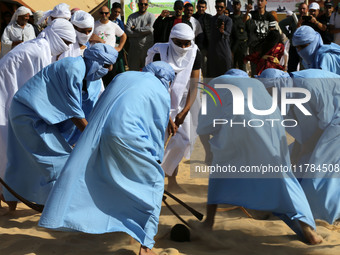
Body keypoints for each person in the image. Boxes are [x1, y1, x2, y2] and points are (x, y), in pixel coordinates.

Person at [38, 61, 175, 255]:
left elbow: (102, 105)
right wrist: (156, 160)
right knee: (153, 183)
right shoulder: (161, 92)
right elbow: (155, 130)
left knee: (103, 175)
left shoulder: (122, 76)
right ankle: (145, 246)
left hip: (100, 133)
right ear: (167, 81)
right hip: (129, 135)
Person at [196, 72, 322, 245]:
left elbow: (204, 126)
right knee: (282, 175)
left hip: (242, 122)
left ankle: (208, 223)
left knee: (220, 168)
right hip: (273, 125)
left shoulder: (216, 82)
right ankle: (308, 229)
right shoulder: (256, 85)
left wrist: (208, 152)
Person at [1, 43, 118, 212]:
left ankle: (14, 202)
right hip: (29, 114)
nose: (109, 69)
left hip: (45, 118)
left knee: (26, 162)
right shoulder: (72, 68)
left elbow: (91, 108)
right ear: (94, 61)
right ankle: (60, 208)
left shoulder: (92, 79)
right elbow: (75, 112)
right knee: (60, 161)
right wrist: (94, 139)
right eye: (106, 65)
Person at [0, 19, 76, 197]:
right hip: (5, 92)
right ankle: (8, 191)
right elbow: (39, 87)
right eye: (65, 42)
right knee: (6, 140)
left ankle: (10, 191)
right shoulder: (39, 52)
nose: (65, 48)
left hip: (13, 91)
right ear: (55, 36)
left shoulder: (43, 47)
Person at [258, 68, 340, 225]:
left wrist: (304, 149)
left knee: (318, 170)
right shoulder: (285, 95)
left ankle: (322, 216)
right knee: (291, 161)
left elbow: (320, 127)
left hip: (335, 121)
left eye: (271, 91)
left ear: (280, 85)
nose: (269, 95)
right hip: (327, 125)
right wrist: (296, 155)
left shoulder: (306, 86)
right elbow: (301, 132)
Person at [146, 23, 201, 192]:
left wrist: (184, 112)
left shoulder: (194, 53)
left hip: (185, 100)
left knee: (183, 139)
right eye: (179, 43)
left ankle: (170, 179)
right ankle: (149, 182)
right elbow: (153, 86)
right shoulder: (158, 53)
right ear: (171, 39)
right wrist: (167, 117)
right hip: (158, 100)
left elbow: (195, 84)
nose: (184, 47)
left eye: (187, 43)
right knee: (156, 141)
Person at [90, 5, 126, 86]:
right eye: (102, 13)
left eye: (106, 13)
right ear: (99, 13)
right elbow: (89, 37)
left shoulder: (113, 25)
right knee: (98, 82)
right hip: (97, 58)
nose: (104, 15)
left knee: (110, 81)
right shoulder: (94, 24)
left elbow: (124, 36)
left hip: (110, 58)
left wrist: (119, 48)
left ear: (109, 14)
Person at [244, 0, 276, 76]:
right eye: (258, 1)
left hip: (265, 47)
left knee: (266, 70)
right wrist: (248, 11)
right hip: (254, 47)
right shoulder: (252, 14)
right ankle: (255, 86)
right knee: (255, 70)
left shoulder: (270, 16)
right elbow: (244, 20)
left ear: (266, 2)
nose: (259, 2)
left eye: (262, 1)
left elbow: (273, 32)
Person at [126, 0, 155, 71]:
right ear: (138, 5)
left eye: (145, 4)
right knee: (133, 73)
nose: (143, 6)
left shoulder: (151, 16)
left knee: (148, 72)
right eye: (141, 4)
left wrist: (135, 28)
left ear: (147, 5)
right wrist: (143, 31)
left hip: (147, 50)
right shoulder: (132, 17)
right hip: (134, 50)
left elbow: (150, 30)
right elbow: (128, 31)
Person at [207, 0, 233, 77]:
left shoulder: (228, 20)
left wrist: (222, 31)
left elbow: (228, 34)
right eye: (217, 7)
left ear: (224, 8)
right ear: (215, 7)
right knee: (212, 75)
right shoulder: (211, 19)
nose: (219, 9)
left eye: (221, 7)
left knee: (225, 75)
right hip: (213, 51)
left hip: (224, 50)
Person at [280, 3, 307, 72]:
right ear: (298, 9)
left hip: (305, 48)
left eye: (304, 9)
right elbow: (281, 24)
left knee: (303, 69)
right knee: (292, 69)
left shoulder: (310, 19)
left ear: (307, 10)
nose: (302, 10)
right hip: (294, 47)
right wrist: (289, 35)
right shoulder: (293, 18)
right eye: (300, 9)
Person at [192, 0, 212, 77]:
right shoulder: (193, 17)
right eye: (199, 7)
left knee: (205, 66)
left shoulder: (209, 18)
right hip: (195, 46)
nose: (201, 8)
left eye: (203, 7)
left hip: (206, 46)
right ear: (197, 7)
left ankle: (206, 84)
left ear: (206, 8)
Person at [230, 0, 248, 71]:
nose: (236, 6)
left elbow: (249, 31)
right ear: (232, 6)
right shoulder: (230, 18)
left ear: (240, 6)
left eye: (237, 4)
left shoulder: (244, 17)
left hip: (242, 44)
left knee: (242, 65)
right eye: (234, 4)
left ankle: (243, 81)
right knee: (232, 65)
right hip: (233, 45)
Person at [109, 2, 126, 75]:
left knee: (120, 69)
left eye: (118, 12)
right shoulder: (107, 21)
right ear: (111, 10)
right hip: (109, 49)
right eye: (115, 11)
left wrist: (120, 47)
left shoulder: (120, 22)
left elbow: (123, 35)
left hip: (119, 50)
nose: (117, 14)